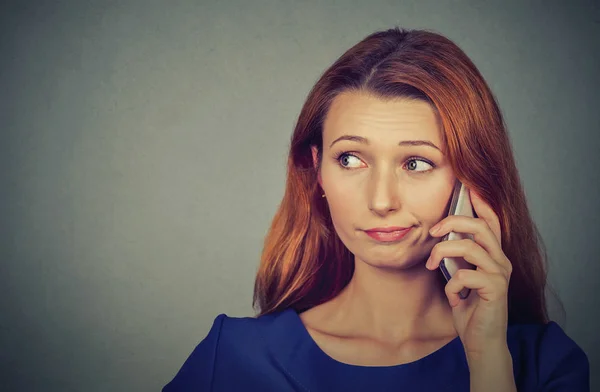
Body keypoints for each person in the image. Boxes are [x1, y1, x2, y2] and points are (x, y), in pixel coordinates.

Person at [162, 27, 589, 391]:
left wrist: (488, 363)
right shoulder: (232, 359)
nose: (381, 201)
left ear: (468, 182)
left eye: (416, 163)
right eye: (351, 159)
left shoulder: (543, 364)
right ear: (317, 170)